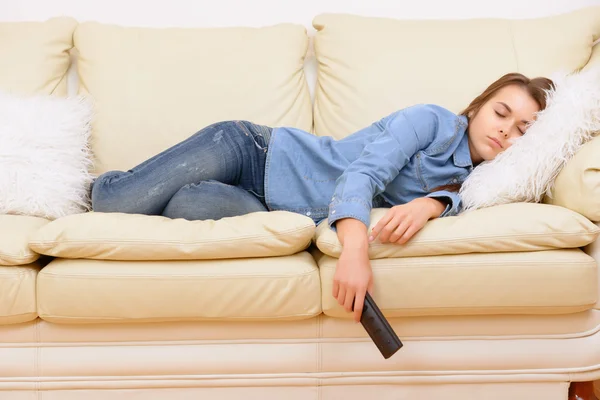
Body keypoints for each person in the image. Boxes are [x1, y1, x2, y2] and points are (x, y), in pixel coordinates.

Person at [91, 72, 554, 322]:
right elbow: (362, 175)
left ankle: (159, 186)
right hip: (254, 153)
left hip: (270, 209)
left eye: (521, 130)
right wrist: (355, 251)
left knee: (191, 204)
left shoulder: (483, 185)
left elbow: (459, 199)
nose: (504, 130)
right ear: (477, 107)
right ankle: (81, 184)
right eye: (500, 112)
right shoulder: (429, 121)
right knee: (112, 204)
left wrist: (430, 203)